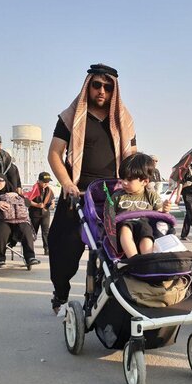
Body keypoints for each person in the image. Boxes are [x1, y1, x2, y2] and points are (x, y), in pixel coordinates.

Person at [47, 63, 136, 314]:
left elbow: (132, 158)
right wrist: (66, 183)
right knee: (63, 244)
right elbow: (55, 153)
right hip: (77, 192)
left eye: (108, 87)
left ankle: (111, 298)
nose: (101, 91)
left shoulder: (124, 121)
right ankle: (60, 294)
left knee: (116, 248)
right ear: (88, 86)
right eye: (97, 85)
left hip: (112, 193)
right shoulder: (70, 117)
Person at [0, 173, 40, 268]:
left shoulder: (12, 192)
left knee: (25, 227)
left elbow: (27, 202)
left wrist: (17, 197)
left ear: (5, 182)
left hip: (16, 221)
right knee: (3, 229)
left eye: (1, 180)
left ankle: (30, 257)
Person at [113, 153, 170, 258]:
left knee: (145, 230)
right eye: (123, 179)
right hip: (124, 225)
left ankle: (146, 257)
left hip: (144, 224)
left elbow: (160, 213)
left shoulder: (150, 195)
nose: (124, 183)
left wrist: (165, 209)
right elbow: (109, 215)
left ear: (144, 181)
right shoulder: (117, 196)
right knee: (125, 228)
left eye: (129, 180)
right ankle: (134, 258)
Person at [27, 172, 54, 255]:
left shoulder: (49, 190)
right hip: (35, 214)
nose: (46, 183)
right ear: (39, 181)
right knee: (33, 232)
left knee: (46, 232)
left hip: (45, 214)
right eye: (44, 181)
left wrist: (51, 205)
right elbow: (27, 201)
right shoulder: (33, 189)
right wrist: (37, 205)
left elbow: (52, 201)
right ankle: (29, 250)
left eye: (48, 181)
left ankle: (47, 249)